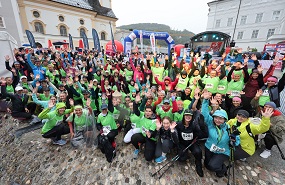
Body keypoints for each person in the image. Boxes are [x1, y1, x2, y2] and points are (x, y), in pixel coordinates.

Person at [201, 91, 240, 177]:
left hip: (222, 151)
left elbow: (237, 142)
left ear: (225, 119)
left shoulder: (229, 128)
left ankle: (223, 169)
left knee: (212, 166)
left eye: (221, 119)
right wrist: (205, 100)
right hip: (210, 147)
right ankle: (218, 164)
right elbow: (204, 114)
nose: (218, 120)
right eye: (216, 118)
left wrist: (233, 140)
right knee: (207, 165)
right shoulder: (211, 123)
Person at [176, 109, 208, 177]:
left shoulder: (194, 125)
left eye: (190, 115)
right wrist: (179, 147)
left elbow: (203, 135)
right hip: (182, 143)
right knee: (181, 158)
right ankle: (186, 154)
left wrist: (202, 126)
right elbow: (175, 136)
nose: (188, 117)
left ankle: (198, 164)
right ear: (184, 116)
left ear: (192, 117)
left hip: (192, 143)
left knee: (198, 151)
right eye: (186, 115)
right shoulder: (179, 124)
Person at [131, 94, 157, 161]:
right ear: (144, 111)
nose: (147, 113)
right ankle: (137, 148)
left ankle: (148, 146)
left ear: (152, 113)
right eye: (146, 111)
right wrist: (136, 103)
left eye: (149, 111)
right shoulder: (142, 115)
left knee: (148, 158)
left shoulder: (154, 121)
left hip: (150, 138)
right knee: (133, 138)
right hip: (143, 135)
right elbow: (136, 111)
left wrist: (150, 134)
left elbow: (152, 132)